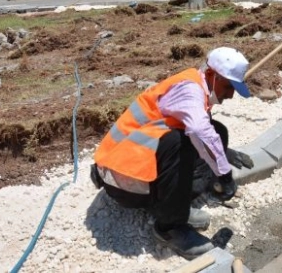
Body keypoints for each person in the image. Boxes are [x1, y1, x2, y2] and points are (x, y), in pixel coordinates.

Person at [90, 47, 250, 260]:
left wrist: (222, 152)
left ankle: (171, 205)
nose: (230, 95)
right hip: (122, 178)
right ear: (212, 75)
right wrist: (224, 174)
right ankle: (169, 227)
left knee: (216, 132)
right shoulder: (190, 90)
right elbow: (199, 131)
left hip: (129, 172)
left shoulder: (195, 82)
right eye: (229, 87)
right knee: (180, 142)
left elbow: (204, 130)